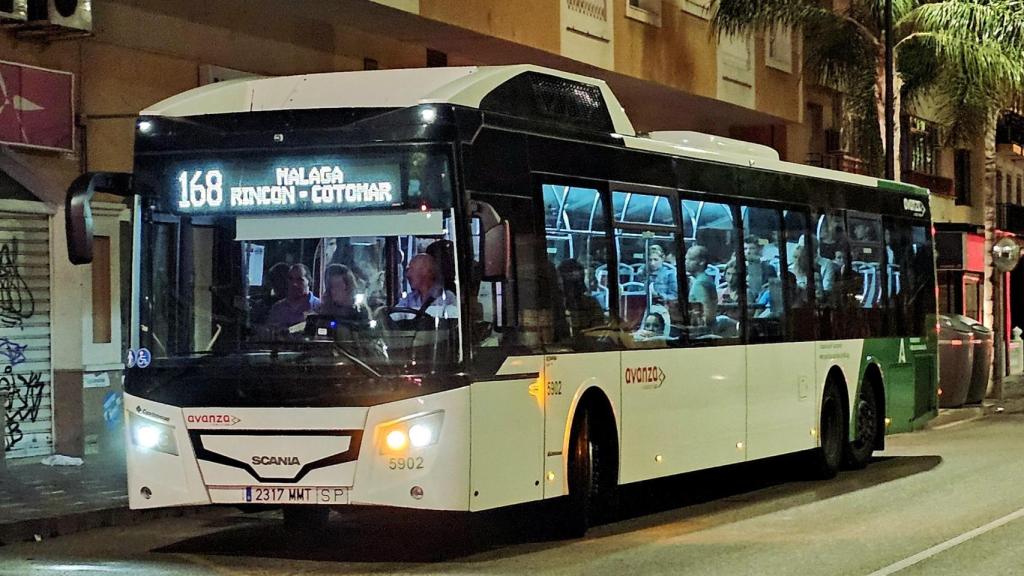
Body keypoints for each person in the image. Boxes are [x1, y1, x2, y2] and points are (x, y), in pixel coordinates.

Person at [396, 253, 458, 318]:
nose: (408, 275)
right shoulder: (408, 300)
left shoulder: (448, 298)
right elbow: (393, 317)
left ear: (427, 272)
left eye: (411, 269)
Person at [556, 258, 605, 335]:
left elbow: (598, 332)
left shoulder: (591, 304)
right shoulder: (555, 305)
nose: (572, 287)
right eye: (568, 283)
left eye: (576, 283)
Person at [266, 263, 320, 329]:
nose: (294, 284)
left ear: (309, 281)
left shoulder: (319, 307)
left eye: (299, 280)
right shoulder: (278, 308)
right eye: (291, 279)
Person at [684, 245, 717, 327]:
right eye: (686, 259)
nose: (686, 262)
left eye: (691, 259)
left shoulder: (701, 282)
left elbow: (707, 314)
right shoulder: (704, 279)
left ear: (702, 261)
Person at [744, 235, 777, 303]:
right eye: (745, 249)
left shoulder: (768, 268)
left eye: (752, 248)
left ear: (759, 249)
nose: (748, 252)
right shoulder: (739, 268)